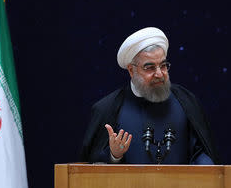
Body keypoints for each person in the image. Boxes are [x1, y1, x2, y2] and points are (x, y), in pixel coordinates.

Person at [80, 27, 220, 164]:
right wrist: (114, 155)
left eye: (163, 65)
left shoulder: (186, 101)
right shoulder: (107, 108)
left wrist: (206, 165)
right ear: (131, 70)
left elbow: (200, 151)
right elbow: (91, 167)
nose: (159, 74)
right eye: (150, 67)